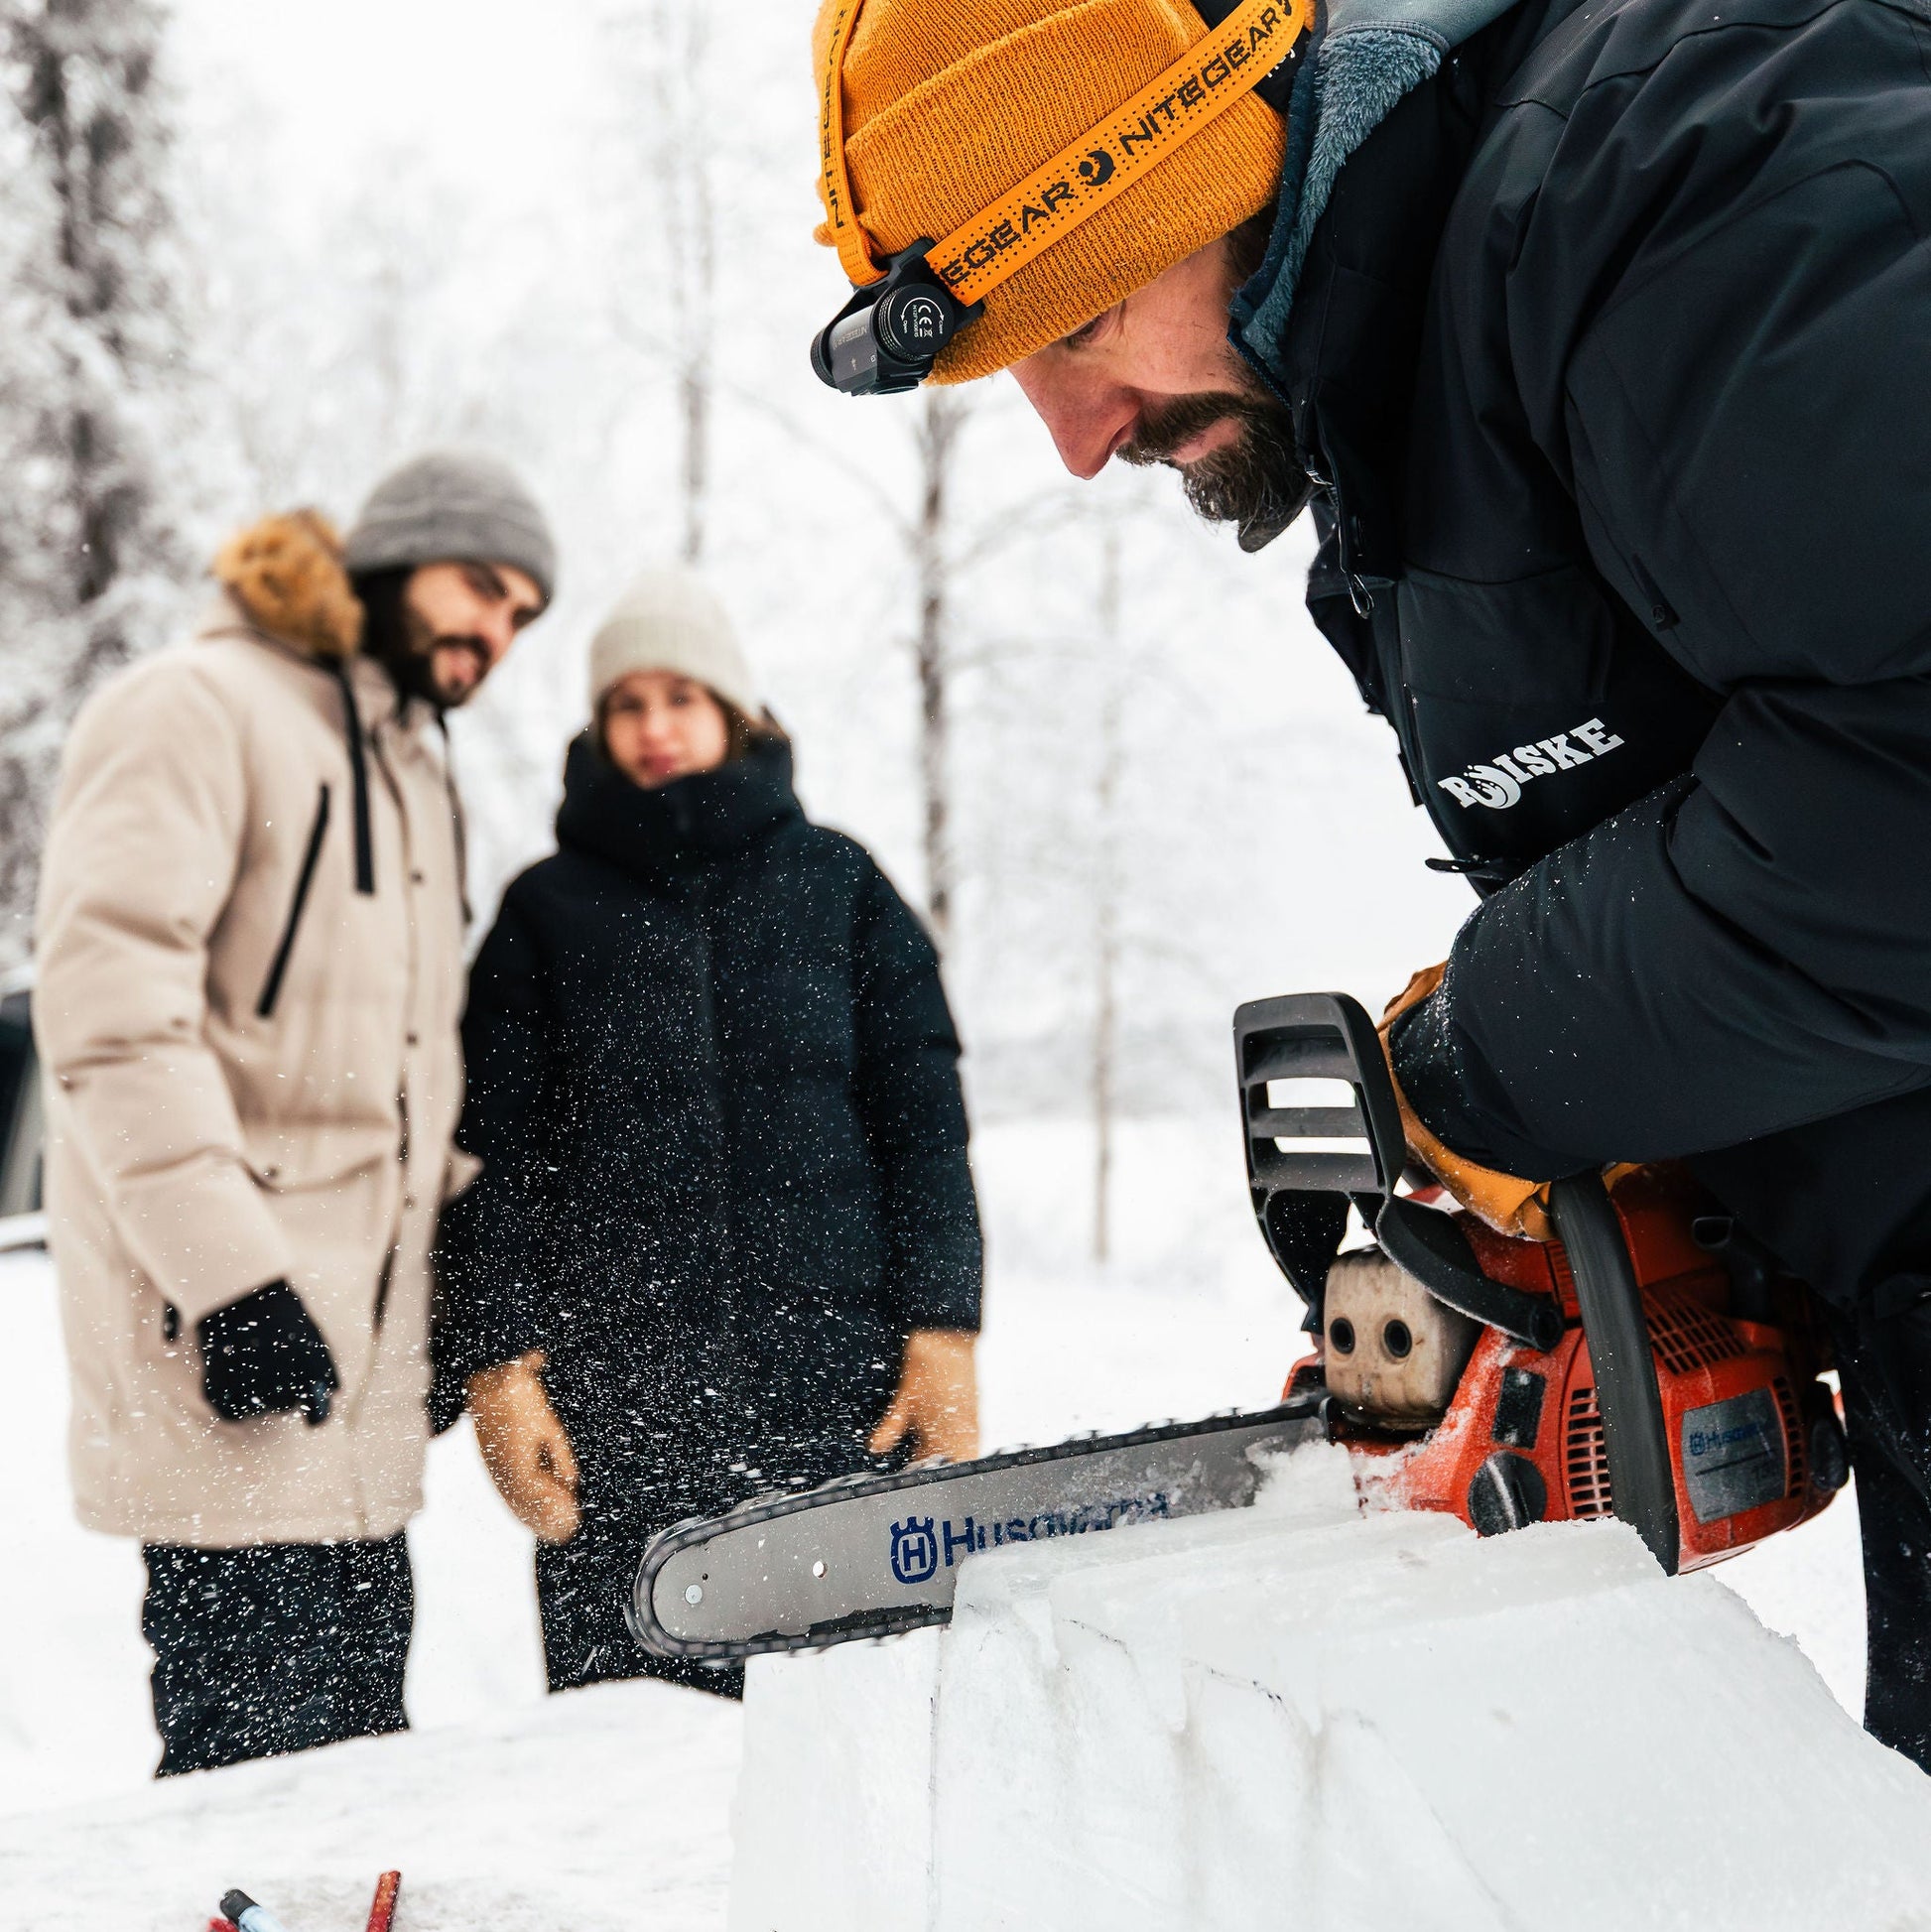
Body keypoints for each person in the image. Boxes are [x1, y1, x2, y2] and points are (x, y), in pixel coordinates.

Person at [809, 0, 1931, 1764]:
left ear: (1220, 153)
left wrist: (1493, 1062)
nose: (1075, 436)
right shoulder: (1407, 377)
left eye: (1082, 324)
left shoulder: (1677, 186)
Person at [33, 451, 556, 1774]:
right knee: (251, 1800)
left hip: (356, 1398)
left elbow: (398, 1082)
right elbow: (109, 1017)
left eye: (518, 616)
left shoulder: (406, 767)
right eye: (478, 587)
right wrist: (233, 1282)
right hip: (227, 1358)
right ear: (390, 560)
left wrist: (452, 1304)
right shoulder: (192, 709)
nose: (491, 632)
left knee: (351, 1782)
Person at [436, 567, 983, 1699]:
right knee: (631, 1752)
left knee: (836, 1731)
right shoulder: (543, 913)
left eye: (679, 697)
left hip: (833, 1395)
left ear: (733, 710)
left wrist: (943, 1330)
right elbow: (489, 1162)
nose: (652, 728)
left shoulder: (839, 887)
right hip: (617, 1412)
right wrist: (500, 1370)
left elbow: (921, 1123)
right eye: (625, 704)